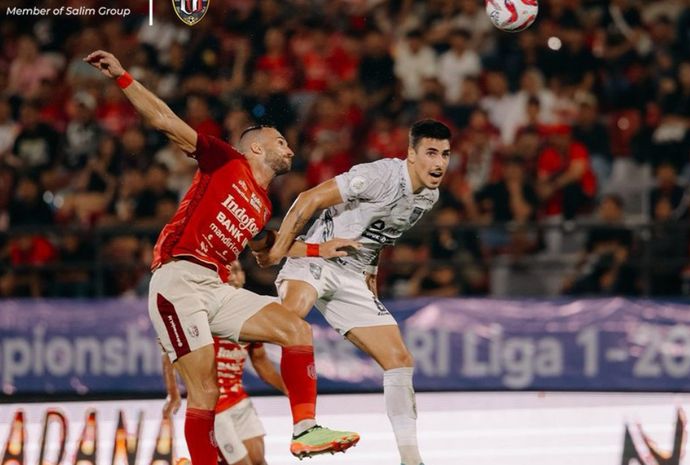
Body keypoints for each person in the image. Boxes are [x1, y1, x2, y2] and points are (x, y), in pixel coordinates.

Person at [84, 50, 359, 465]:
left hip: (215, 287)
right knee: (207, 390)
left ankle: (306, 430)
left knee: (295, 329)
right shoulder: (225, 160)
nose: (289, 147)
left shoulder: (263, 204)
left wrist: (320, 249)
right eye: (279, 141)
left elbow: (267, 252)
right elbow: (164, 121)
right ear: (254, 147)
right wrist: (123, 77)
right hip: (177, 280)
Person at [257, 119, 452, 465]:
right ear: (410, 154)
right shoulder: (380, 176)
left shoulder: (429, 198)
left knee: (399, 361)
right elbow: (309, 198)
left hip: (352, 274)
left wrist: (371, 273)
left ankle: (411, 459)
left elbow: (380, 235)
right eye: (431, 153)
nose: (439, 163)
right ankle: (303, 424)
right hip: (317, 255)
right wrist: (280, 249)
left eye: (445, 155)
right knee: (292, 317)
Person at [162, 261, 286, 465]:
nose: (232, 276)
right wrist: (173, 393)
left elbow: (261, 362)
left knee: (259, 461)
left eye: (236, 270)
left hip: (239, 400)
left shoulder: (252, 312)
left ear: (244, 276)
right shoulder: (206, 310)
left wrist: (290, 390)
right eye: (226, 272)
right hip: (214, 407)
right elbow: (170, 350)